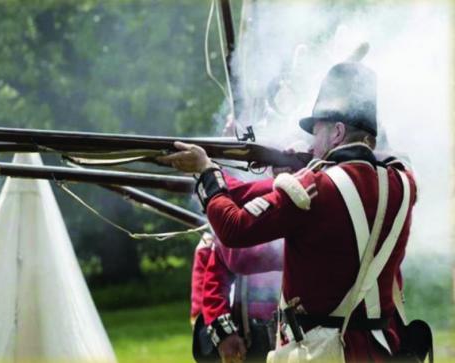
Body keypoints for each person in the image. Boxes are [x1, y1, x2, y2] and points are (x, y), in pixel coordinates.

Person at [160, 62, 422, 362]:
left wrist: (206, 171)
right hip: (380, 350)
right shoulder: (403, 183)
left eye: (318, 130)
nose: (313, 141)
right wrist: (297, 169)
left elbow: (233, 228)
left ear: (337, 132)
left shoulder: (313, 189)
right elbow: (372, 169)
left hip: (321, 353)